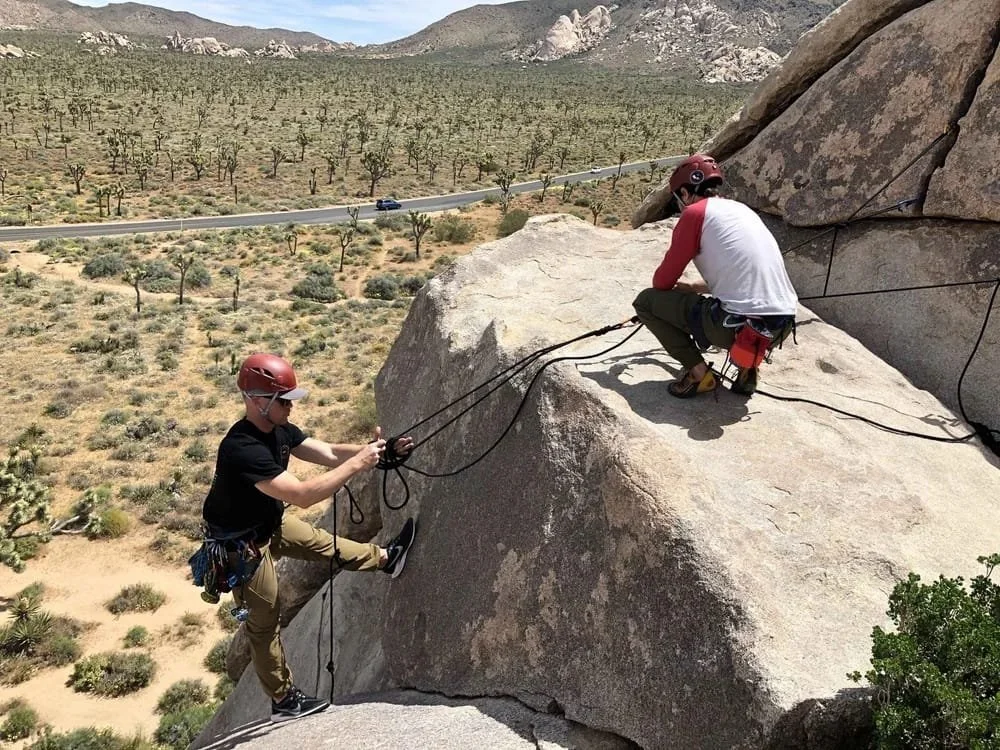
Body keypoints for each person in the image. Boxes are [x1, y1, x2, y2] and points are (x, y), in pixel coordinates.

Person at [201, 352, 417, 722]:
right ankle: (283, 702)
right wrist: (359, 464)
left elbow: (330, 452)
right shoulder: (242, 448)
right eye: (282, 401)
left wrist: (378, 454)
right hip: (240, 546)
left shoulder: (280, 429)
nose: (289, 407)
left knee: (322, 543)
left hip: (266, 523)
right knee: (265, 619)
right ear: (257, 402)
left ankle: (386, 559)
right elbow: (303, 495)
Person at [632, 154, 798, 397]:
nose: (680, 205)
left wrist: (673, 292)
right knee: (739, 309)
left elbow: (662, 281)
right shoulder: (742, 211)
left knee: (646, 302)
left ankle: (699, 375)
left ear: (686, 194)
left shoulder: (694, 213)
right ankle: (747, 366)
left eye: (679, 199)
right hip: (780, 326)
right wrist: (694, 287)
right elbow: (740, 276)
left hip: (734, 325)